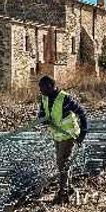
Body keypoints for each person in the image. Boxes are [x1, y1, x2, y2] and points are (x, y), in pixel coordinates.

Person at [37, 75, 88, 204]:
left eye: (42, 88)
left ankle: (63, 192)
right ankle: (68, 187)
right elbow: (41, 114)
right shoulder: (44, 98)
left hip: (68, 135)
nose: (40, 91)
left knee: (62, 163)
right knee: (62, 163)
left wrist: (83, 132)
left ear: (50, 86)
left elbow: (82, 113)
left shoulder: (65, 98)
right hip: (57, 135)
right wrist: (43, 119)